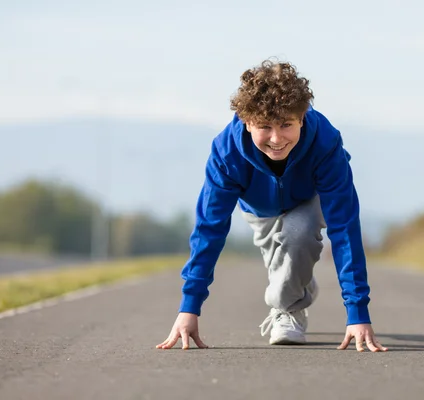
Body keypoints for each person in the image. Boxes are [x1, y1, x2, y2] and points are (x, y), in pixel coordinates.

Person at [156, 59, 388, 352]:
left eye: (286, 125)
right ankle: (300, 286)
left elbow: (344, 228)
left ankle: (287, 311)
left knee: (298, 231)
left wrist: (357, 314)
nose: (276, 139)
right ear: (245, 120)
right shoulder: (227, 154)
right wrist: (189, 308)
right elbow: (209, 229)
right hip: (259, 211)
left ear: (302, 117)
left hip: (308, 199)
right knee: (287, 265)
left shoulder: (326, 144)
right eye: (264, 126)